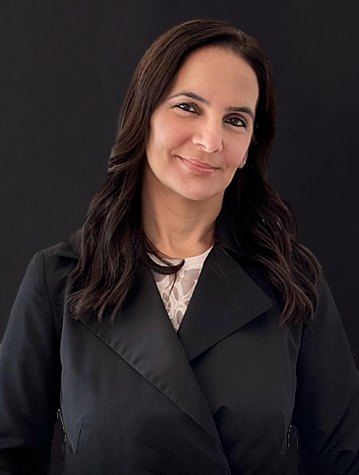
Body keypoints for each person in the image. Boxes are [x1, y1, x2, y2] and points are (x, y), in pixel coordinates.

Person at [0, 18, 358, 475]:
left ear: (249, 146)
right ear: (143, 113)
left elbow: (345, 458)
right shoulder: (60, 279)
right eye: (189, 107)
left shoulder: (292, 284)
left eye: (235, 120)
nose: (210, 141)